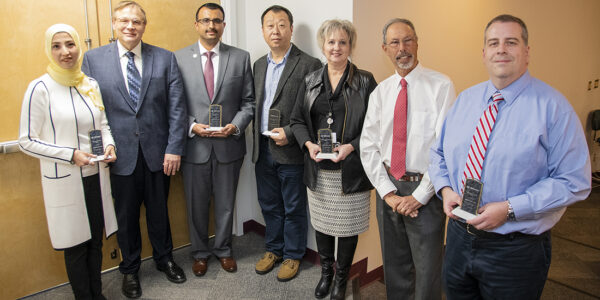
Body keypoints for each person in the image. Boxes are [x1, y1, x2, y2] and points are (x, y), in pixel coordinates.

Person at [429, 14, 591, 299]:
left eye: (511, 42)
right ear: (484, 53)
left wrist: (510, 208)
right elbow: (437, 152)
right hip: (457, 239)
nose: (501, 49)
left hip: (515, 249)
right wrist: (444, 189)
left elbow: (574, 180)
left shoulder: (553, 108)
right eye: (494, 43)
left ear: (526, 52)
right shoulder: (465, 101)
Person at [81, 1, 188, 298]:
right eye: (124, 21)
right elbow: (91, 111)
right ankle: (129, 270)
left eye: (137, 22)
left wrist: (174, 147)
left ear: (144, 25)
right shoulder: (93, 59)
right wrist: (102, 147)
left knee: (159, 211)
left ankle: (165, 259)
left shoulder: (164, 58)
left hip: (159, 152)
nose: (131, 26)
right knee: (125, 216)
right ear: (114, 24)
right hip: (119, 155)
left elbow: (177, 107)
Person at [19, 23, 118, 300]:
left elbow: (103, 124)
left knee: (95, 242)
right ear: (49, 50)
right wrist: (69, 155)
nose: (65, 52)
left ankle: (96, 295)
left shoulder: (90, 84)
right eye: (57, 46)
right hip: (65, 179)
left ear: (79, 46)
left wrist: (109, 143)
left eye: (70, 44)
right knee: (76, 246)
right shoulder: (40, 88)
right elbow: (27, 140)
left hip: (95, 176)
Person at [360, 18, 456, 300]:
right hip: (389, 188)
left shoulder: (441, 86)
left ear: (417, 42)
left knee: (428, 270)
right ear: (384, 48)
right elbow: (368, 146)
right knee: (395, 265)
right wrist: (388, 194)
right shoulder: (381, 92)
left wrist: (420, 196)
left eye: (408, 40)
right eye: (394, 43)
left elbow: (445, 147)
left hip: (426, 190)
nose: (402, 48)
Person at [290, 19, 377, 300]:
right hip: (319, 168)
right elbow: (296, 120)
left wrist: (352, 146)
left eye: (342, 42)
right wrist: (308, 144)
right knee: (324, 225)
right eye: (331, 42)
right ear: (323, 46)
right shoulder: (311, 79)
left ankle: (341, 279)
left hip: (351, 170)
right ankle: (326, 274)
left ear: (350, 46)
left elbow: (376, 127)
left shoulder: (365, 80)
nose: (336, 47)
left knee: (348, 228)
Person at [175, 2, 254, 277]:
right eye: (206, 20)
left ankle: (223, 250)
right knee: (196, 206)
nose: (212, 25)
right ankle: (199, 253)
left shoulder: (240, 58)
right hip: (194, 146)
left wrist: (234, 126)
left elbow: (249, 103)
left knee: (225, 203)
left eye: (217, 20)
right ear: (196, 24)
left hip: (228, 146)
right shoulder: (178, 58)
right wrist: (192, 126)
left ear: (224, 25)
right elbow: (174, 105)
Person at [251, 5, 322, 282]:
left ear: (291, 29)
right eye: (270, 25)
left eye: (282, 24)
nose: (275, 30)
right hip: (263, 148)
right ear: (263, 31)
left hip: (291, 149)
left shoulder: (309, 64)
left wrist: (291, 133)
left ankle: (293, 255)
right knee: (269, 204)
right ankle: (273, 250)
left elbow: (313, 113)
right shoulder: (258, 65)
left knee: (293, 206)